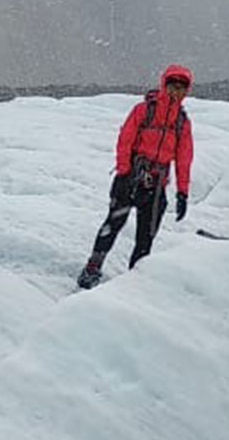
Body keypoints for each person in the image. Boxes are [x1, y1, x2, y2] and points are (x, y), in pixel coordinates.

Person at [77, 65, 196, 290]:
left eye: (182, 87)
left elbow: (184, 159)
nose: (176, 91)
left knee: (146, 238)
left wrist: (183, 192)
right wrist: (124, 171)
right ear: (164, 85)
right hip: (131, 177)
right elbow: (125, 139)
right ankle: (93, 267)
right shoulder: (143, 110)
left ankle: (133, 285)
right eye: (173, 85)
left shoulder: (182, 122)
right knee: (113, 223)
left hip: (157, 184)